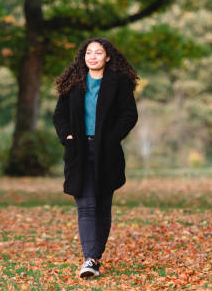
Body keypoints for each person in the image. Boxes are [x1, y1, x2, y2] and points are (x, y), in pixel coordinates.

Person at [53, 37, 138, 279]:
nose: (92, 56)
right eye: (89, 52)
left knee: (102, 205)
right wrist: (67, 136)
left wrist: (112, 138)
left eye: (98, 52)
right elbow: (59, 115)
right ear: (84, 57)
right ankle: (89, 258)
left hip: (107, 152)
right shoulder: (73, 83)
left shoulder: (119, 82)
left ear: (107, 57)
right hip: (79, 151)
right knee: (86, 205)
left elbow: (129, 115)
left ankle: (95, 256)